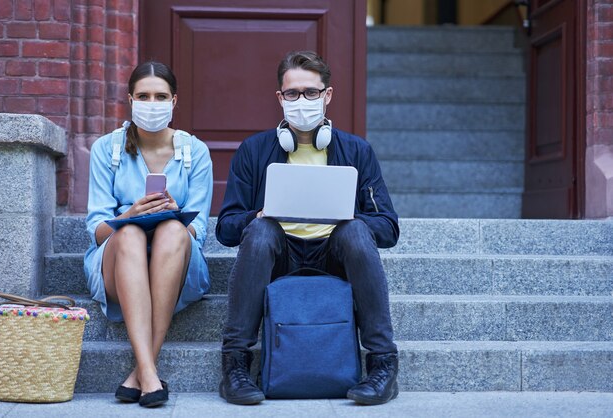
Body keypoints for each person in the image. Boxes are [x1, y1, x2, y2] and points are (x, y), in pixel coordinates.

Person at [216, 51, 400, 406]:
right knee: (262, 230)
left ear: (327, 96)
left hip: (335, 255)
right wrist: (259, 215)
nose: (302, 101)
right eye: (292, 93)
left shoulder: (357, 151)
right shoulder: (254, 151)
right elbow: (226, 228)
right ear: (279, 98)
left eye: (311, 93)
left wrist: (351, 218)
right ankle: (235, 364)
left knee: (357, 231)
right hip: (277, 256)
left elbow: (388, 228)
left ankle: (383, 365)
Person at [84, 61, 213, 408]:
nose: (152, 104)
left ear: (174, 101)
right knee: (128, 235)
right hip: (119, 264)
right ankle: (149, 373)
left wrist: (173, 213)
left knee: (173, 229)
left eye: (160, 96)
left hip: (177, 264)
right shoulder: (106, 150)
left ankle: (141, 373)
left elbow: (198, 232)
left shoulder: (195, 152)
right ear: (130, 99)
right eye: (144, 96)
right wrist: (129, 216)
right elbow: (97, 232)